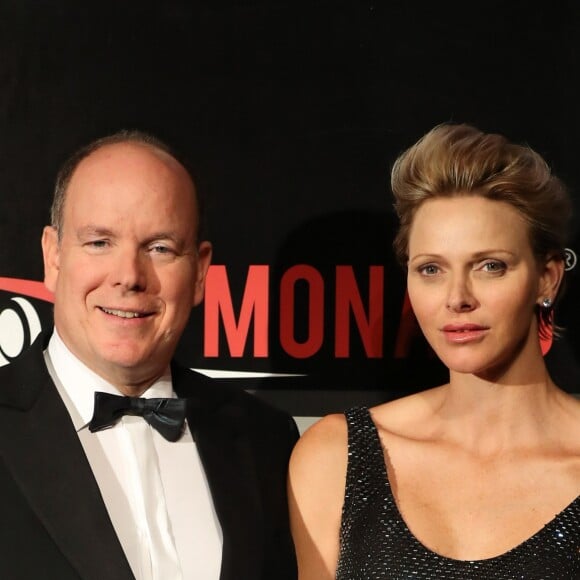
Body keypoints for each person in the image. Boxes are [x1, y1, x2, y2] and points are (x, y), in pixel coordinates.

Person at [0, 130, 299, 580]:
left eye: (159, 247)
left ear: (199, 272)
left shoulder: (267, 442)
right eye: (99, 242)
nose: (129, 276)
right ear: (53, 256)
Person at [288, 124, 580, 579]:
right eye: (430, 269)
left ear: (547, 278)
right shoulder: (336, 458)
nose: (457, 297)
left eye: (490, 266)